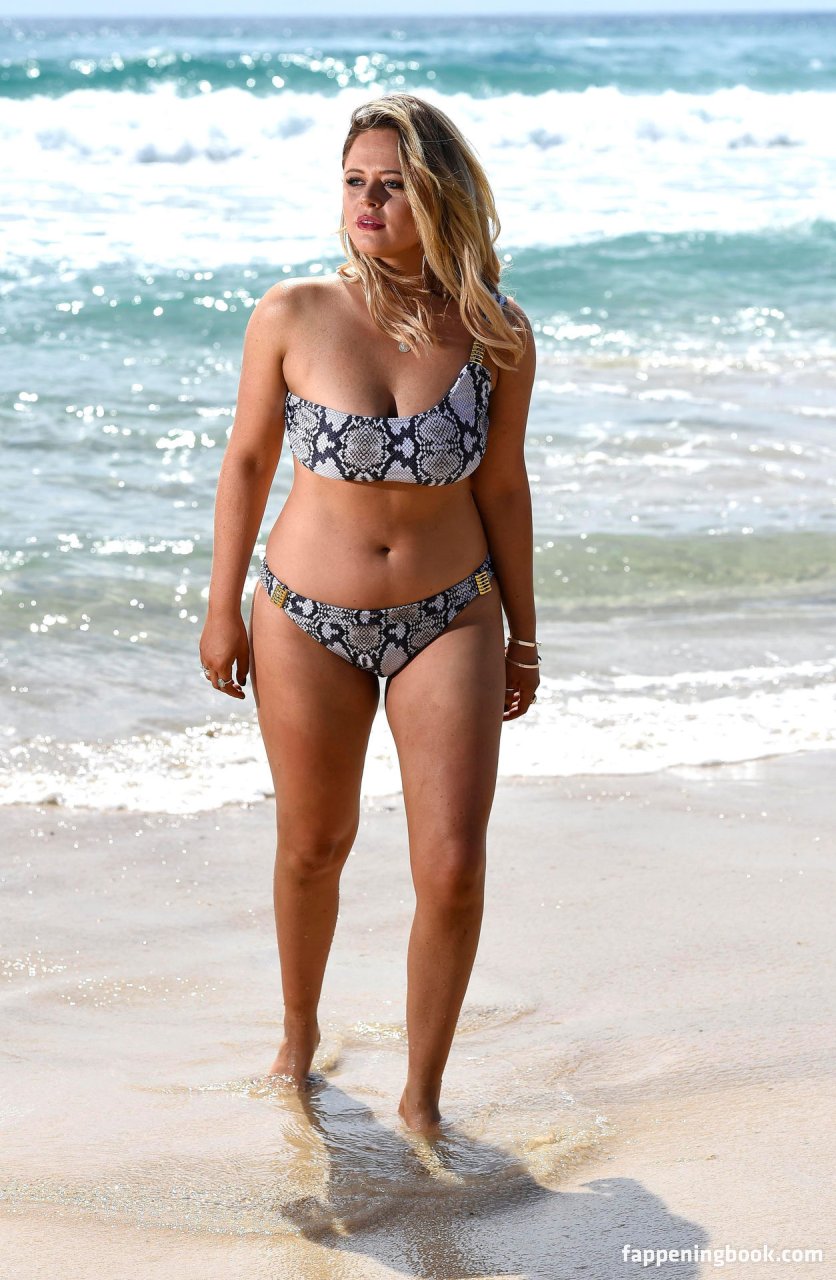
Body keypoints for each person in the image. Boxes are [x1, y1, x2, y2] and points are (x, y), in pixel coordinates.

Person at [199, 93, 539, 1134]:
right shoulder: (293, 312)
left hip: (453, 613)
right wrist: (221, 608)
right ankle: (298, 1036)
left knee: (453, 866)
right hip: (305, 614)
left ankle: (423, 1100)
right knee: (314, 843)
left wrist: (525, 633)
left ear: (435, 194)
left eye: (392, 184)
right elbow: (247, 461)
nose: (369, 202)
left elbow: (503, 485)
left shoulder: (495, 330)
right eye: (355, 182)